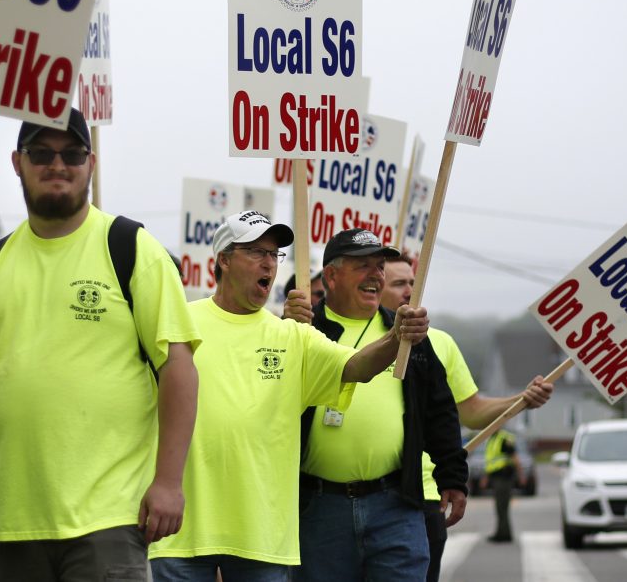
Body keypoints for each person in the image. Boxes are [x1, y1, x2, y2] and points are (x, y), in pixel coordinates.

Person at [0, 107, 201, 581]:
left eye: (72, 154)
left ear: (90, 164)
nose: (57, 164)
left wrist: (168, 482)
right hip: (16, 520)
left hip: (108, 516)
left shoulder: (131, 248)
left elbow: (178, 367)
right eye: (41, 153)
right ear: (18, 162)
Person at [148, 211, 430, 581]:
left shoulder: (291, 335)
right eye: (256, 252)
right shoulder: (178, 322)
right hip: (181, 526)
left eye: (274, 254)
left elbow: (358, 367)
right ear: (224, 260)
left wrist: (397, 336)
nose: (268, 262)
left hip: (261, 533)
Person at [285, 229, 468, 582]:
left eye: (380, 266)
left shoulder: (407, 332)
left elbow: (439, 409)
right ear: (331, 276)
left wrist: (453, 474)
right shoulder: (302, 330)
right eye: (363, 265)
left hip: (395, 505)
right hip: (317, 508)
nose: (376, 275)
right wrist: (286, 326)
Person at [381, 256, 553, 576]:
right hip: (364, 495)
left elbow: (472, 412)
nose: (410, 292)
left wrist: (521, 399)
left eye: (413, 284)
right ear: (375, 288)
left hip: (424, 495)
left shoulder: (441, 343)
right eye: (399, 284)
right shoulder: (351, 340)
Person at [481, 426, 523, 543]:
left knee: (502, 507)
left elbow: (515, 457)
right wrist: (486, 477)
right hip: (496, 478)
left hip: (504, 478)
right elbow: (490, 461)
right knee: (500, 507)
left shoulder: (504, 438)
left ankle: (504, 535)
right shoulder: (492, 439)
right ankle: (502, 533)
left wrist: (521, 475)